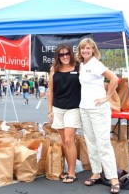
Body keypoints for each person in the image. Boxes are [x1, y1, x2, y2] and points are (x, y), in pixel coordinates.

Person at [76, 38, 120, 194]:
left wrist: (107, 97)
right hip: (85, 109)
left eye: (88, 48)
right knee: (91, 142)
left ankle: (113, 178)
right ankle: (96, 172)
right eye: (83, 48)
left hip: (98, 110)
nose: (85, 51)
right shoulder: (83, 65)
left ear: (93, 49)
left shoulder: (96, 64)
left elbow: (115, 79)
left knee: (103, 144)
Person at [48, 44, 81, 183]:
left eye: (67, 53)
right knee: (63, 141)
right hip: (58, 108)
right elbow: (50, 91)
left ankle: (72, 172)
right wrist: (49, 110)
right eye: (61, 54)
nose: (65, 56)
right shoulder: (54, 69)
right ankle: (67, 168)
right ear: (58, 56)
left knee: (69, 140)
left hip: (74, 108)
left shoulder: (79, 67)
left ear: (70, 54)